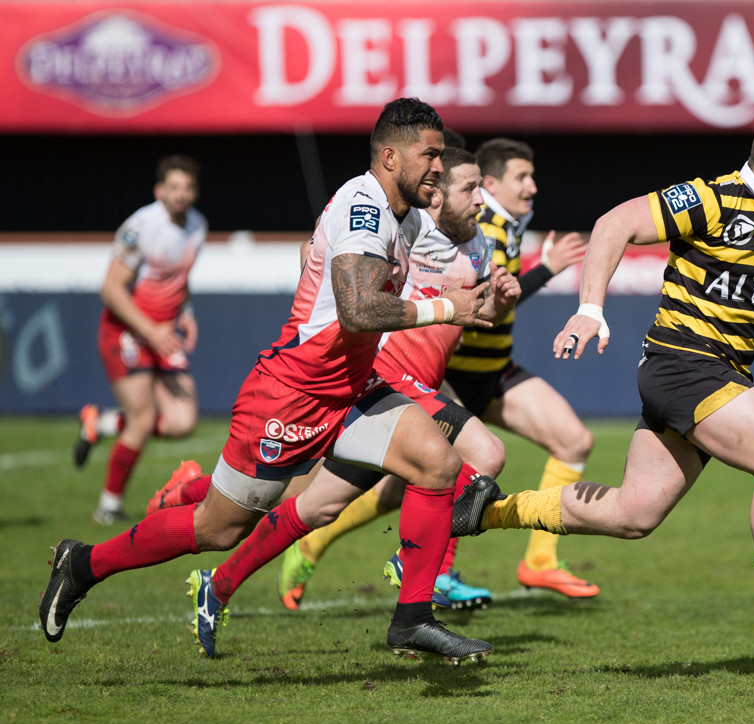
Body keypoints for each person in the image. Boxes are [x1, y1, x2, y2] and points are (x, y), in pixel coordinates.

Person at [39, 98, 501, 665]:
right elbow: (357, 310)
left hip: (351, 389)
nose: (438, 165)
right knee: (217, 528)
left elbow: (418, 258)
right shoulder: (365, 206)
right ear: (389, 155)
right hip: (292, 393)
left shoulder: (404, 215)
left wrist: (492, 275)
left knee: (438, 461)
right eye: (430, 155)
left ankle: (413, 620)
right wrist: (445, 311)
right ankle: (84, 563)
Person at [454, 116, 754, 660]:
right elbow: (614, 223)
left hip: (717, 372)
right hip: (682, 363)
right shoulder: (712, 198)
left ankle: (488, 510)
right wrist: (590, 310)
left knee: (632, 515)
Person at [274, 145, 520, 611]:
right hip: (384, 377)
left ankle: (224, 573)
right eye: (471, 187)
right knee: (477, 457)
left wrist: (500, 301)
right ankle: (423, 568)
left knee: (322, 501)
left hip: (425, 382)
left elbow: (479, 311)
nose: (480, 199)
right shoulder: (408, 227)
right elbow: (320, 254)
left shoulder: (479, 244)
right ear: (439, 193)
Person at [441, 137, 600, 598]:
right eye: (521, 177)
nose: (532, 187)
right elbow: (489, 305)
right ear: (488, 184)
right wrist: (546, 269)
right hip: (451, 375)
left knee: (573, 441)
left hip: (491, 371)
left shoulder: (506, 222)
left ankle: (540, 561)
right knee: (388, 487)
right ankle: (310, 545)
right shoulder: (476, 226)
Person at [73, 155, 206, 525]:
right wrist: (151, 330)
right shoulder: (141, 226)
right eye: (174, 187)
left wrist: (187, 315)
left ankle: (99, 423)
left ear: (195, 192)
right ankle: (109, 505)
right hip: (129, 331)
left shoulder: (197, 226)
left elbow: (179, 280)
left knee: (182, 420)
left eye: (187, 188)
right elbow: (111, 290)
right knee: (144, 417)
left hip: (163, 332)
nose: (181, 195)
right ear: (159, 190)